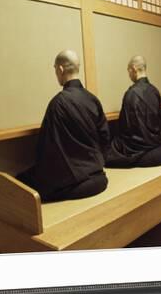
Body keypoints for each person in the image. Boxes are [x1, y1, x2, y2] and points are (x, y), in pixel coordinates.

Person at [16, 50, 110, 202]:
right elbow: (105, 138)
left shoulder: (57, 104)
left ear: (60, 69)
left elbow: (46, 149)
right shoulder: (93, 99)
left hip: (74, 179)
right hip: (98, 175)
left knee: (21, 181)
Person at [105, 56, 161, 168]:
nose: (129, 75)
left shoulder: (131, 93)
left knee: (109, 152)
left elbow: (124, 126)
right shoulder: (155, 91)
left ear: (134, 68)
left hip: (136, 145)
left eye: (129, 71)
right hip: (155, 142)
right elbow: (159, 121)